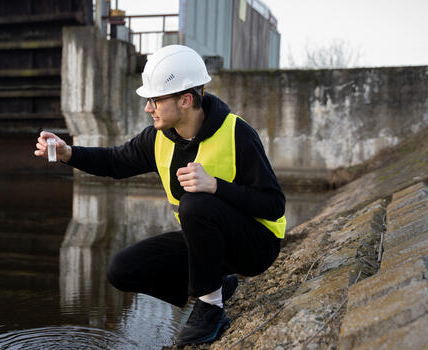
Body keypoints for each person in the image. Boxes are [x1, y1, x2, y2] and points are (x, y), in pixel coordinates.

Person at [34, 45, 286, 346]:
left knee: (195, 199)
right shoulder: (157, 138)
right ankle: (216, 285)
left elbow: (273, 205)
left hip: (257, 245)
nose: (147, 108)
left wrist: (216, 186)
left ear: (185, 99)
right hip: (207, 244)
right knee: (122, 270)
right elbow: (115, 161)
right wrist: (68, 153)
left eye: (154, 100)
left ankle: (210, 306)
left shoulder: (237, 133)